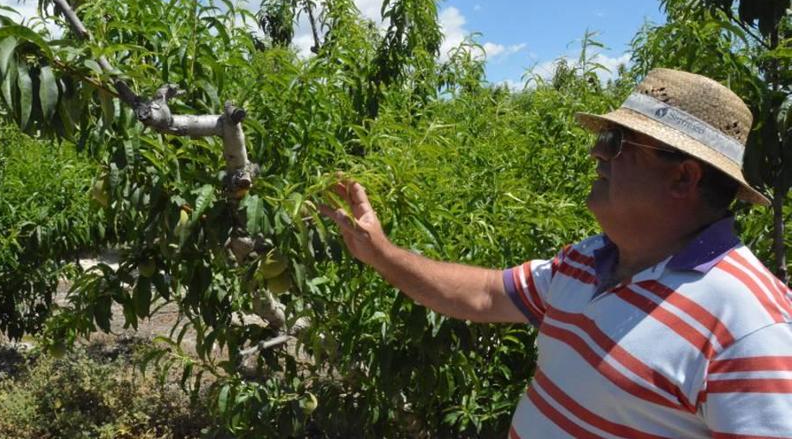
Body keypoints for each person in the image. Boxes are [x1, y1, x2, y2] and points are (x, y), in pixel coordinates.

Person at [319, 68, 792, 437]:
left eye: (615, 142)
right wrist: (379, 252)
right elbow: (484, 295)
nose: (596, 154)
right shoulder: (589, 260)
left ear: (683, 178)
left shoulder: (750, 328)